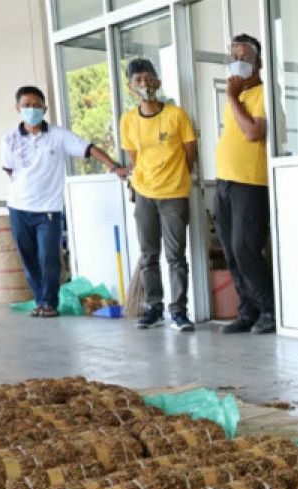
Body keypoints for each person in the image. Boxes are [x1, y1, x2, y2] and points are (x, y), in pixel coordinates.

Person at [2, 85, 127, 318]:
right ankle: (40, 301)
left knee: (48, 258)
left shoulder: (58, 136)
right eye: (27, 105)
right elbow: (10, 171)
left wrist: (115, 166)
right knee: (28, 260)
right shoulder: (9, 139)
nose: (32, 109)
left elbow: (88, 149)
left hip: (48, 209)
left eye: (37, 105)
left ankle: (49, 303)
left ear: (45, 108)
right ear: (18, 108)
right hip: (19, 208)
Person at [120, 58, 198, 332]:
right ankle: (154, 307)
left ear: (158, 82)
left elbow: (190, 154)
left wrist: (177, 177)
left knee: (175, 255)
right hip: (144, 193)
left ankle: (179, 310)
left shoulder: (176, 115)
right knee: (148, 254)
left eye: (148, 78)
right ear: (130, 87)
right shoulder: (128, 120)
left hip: (174, 192)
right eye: (137, 80)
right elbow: (135, 158)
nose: (144, 84)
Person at [214, 34, 276, 335]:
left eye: (245, 57)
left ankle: (269, 309)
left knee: (246, 247)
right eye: (233, 56)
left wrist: (231, 98)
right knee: (230, 249)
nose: (237, 62)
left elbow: (254, 132)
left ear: (258, 64)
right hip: (225, 180)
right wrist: (233, 98)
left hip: (250, 182)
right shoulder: (235, 95)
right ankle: (247, 310)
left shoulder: (264, 93)